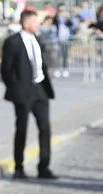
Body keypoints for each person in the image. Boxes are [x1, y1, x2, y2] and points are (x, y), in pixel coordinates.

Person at [1, 10, 57, 179]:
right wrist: (15, 88)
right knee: (22, 129)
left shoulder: (37, 40)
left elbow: (41, 64)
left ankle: (44, 167)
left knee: (45, 128)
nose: (38, 24)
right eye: (35, 21)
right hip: (22, 92)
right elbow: (5, 69)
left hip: (40, 89)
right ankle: (19, 167)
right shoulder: (13, 42)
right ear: (26, 23)